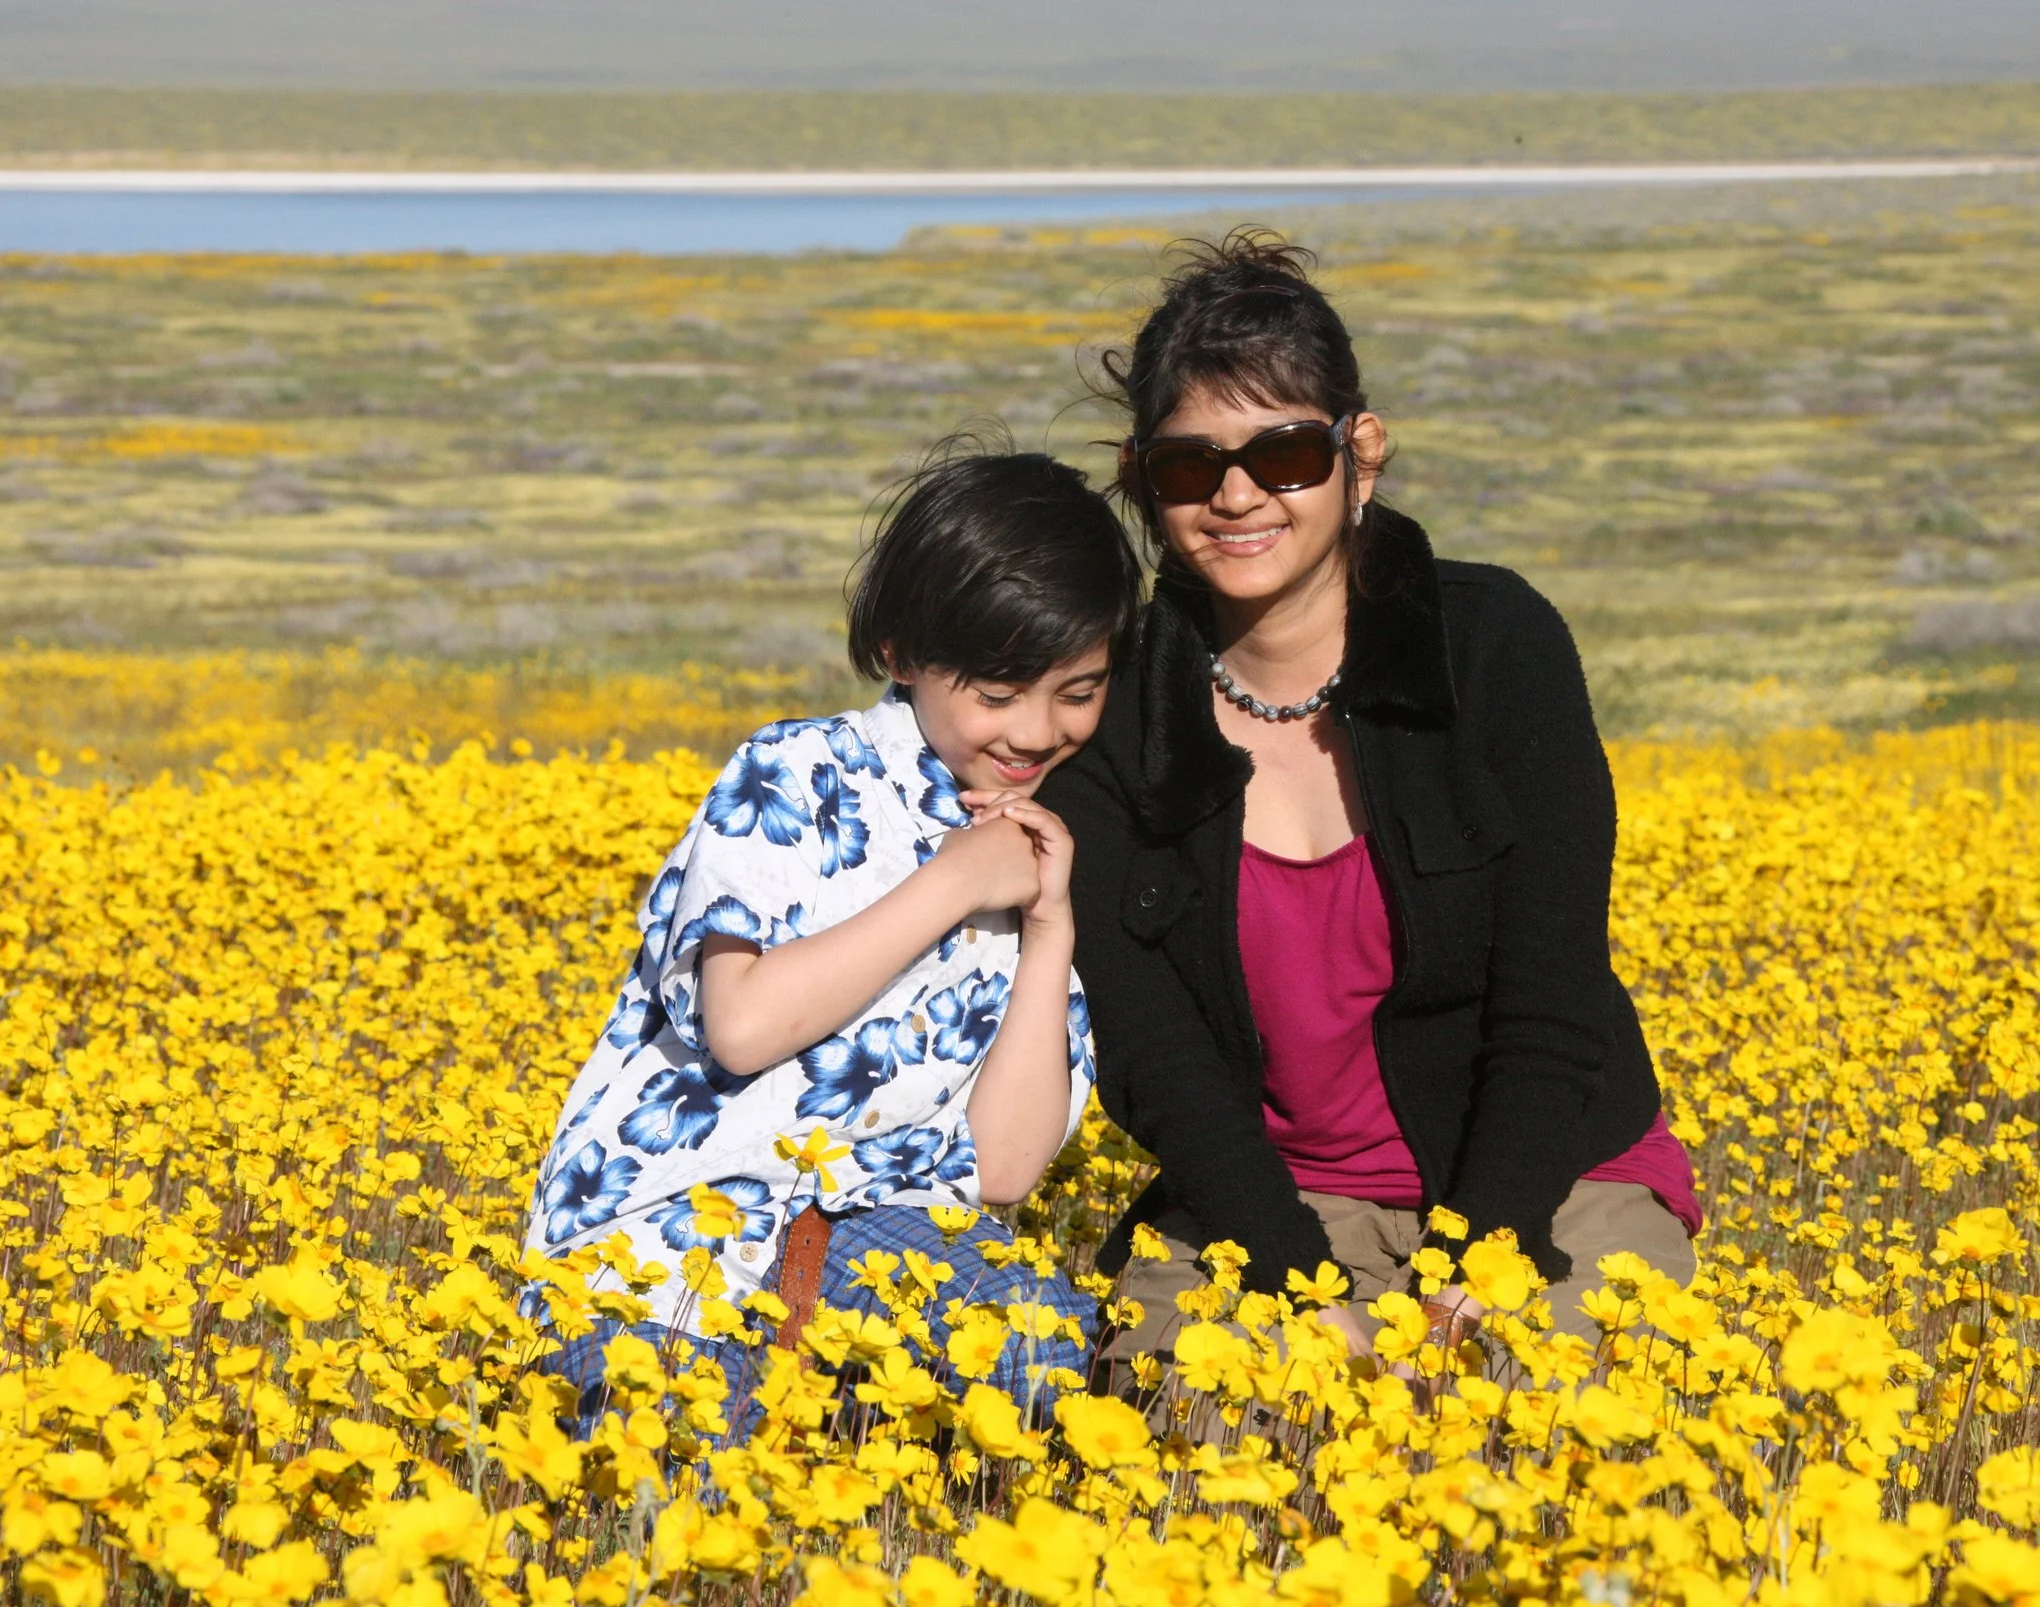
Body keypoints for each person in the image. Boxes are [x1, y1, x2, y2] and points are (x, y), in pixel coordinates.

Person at [1039, 233, 1702, 1386]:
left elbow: (1551, 998)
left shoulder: (1492, 645)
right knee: (1207, 1438)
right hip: (1278, 1206)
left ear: (1362, 452)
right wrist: (1300, 1284)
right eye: (1190, 467)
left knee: (1551, 1428)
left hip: (1546, 1177)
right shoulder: (1107, 709)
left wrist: (1480, 1256)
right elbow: (1154, 1058)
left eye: (1284, 453)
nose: (1236, 495)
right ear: (1142, 478)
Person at [525, 448, 1138, 1436]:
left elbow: (1004, 1171)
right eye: (997, 690)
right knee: (681, 1463)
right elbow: (742, 1024)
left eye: (1077, 690)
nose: (1035, 730)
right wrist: (955, 882)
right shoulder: (794, 773)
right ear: (900, 653)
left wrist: (1049, 922)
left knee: (1040, 1358)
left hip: (880, 1228)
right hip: (681, 1231)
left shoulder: (1047, 844)